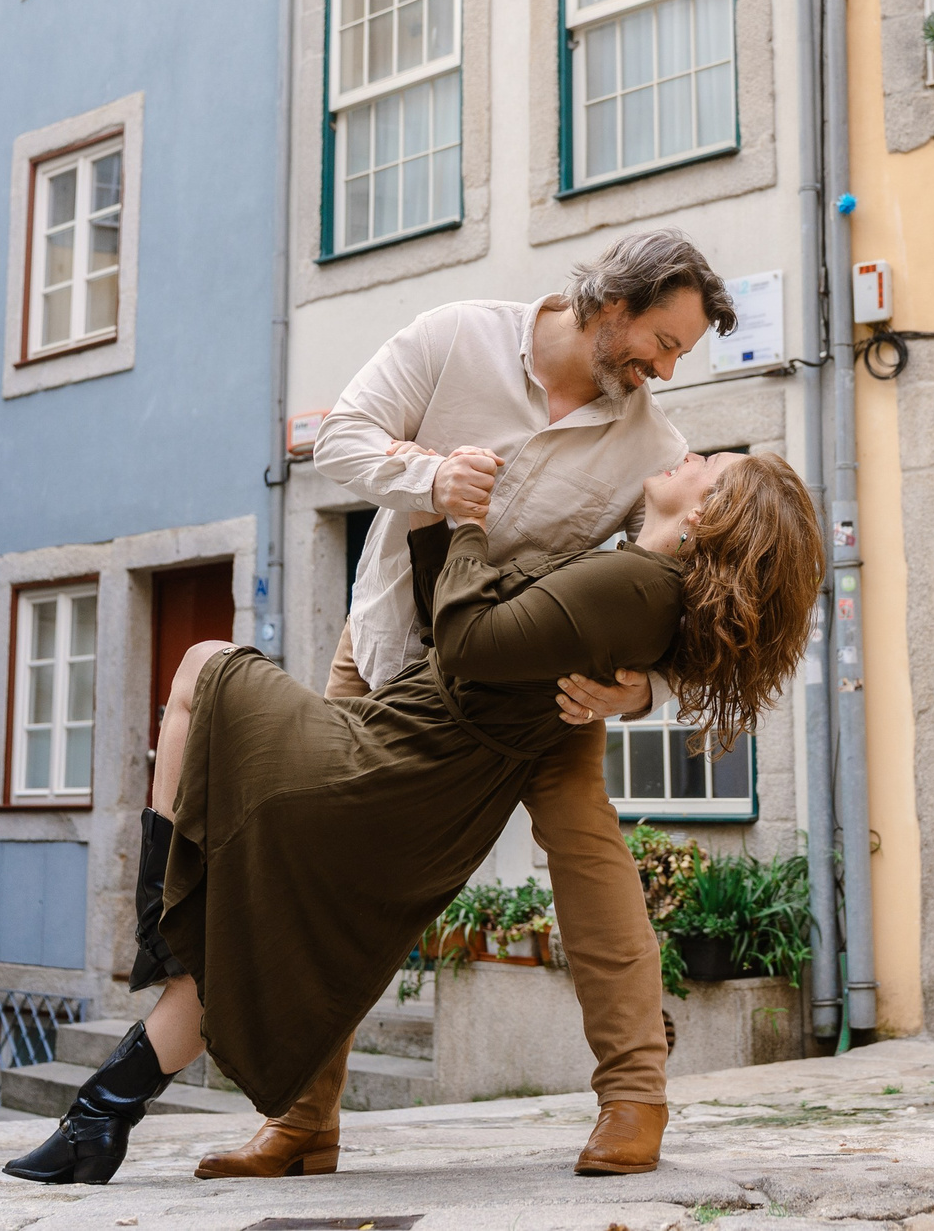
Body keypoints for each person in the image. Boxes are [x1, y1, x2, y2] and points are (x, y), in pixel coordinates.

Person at [0, 450, 824, 1187]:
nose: (688, 452)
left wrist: (465, 522)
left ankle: (156, 925)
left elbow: (466, 641)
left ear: (707, 514)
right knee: (251, 945)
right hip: (424, 774)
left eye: (710, 464)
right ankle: (100, 1117)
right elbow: (475, 625)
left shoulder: (635, 580)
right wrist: (439, 524)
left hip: (391, 757)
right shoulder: (645, 592)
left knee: (204, 665)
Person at [245, 228, 736, 1177]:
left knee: (591, 862)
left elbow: (703, 597)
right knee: (333, 870)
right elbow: (337, 438)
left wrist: (645, 688)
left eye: (681, 352)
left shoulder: (655, 446)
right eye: (665, 342)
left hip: (539, 700)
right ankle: (305, 1119)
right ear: (612, 304)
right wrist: (429, 476)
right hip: (388, 652)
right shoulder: (454, 336)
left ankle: (636, 1100)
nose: (668, 369)